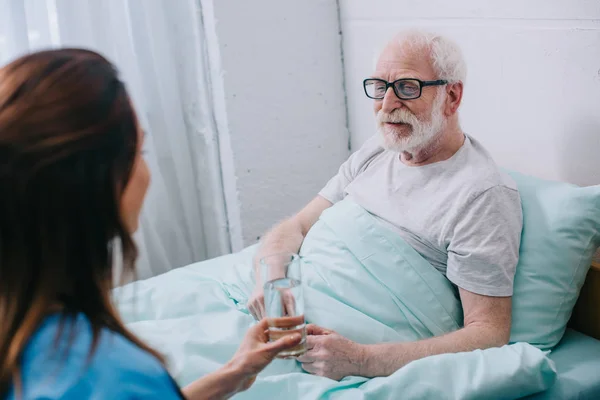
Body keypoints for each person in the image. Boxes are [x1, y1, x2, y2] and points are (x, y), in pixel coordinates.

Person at [0, 49, 301, 399]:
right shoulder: (112, 375)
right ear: (105, 184)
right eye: (140, 152)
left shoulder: (24, 332)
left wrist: (235, 373)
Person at [248, 29, 523, 380]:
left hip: (335, 352)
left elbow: (488, 333)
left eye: (408, 88)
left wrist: (362, 360)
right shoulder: (378, 150)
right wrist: (270, 278)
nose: (387, 105)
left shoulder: (481, 195)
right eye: (380, 87)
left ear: (451, 97)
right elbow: (297, 226)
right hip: (282, 321)